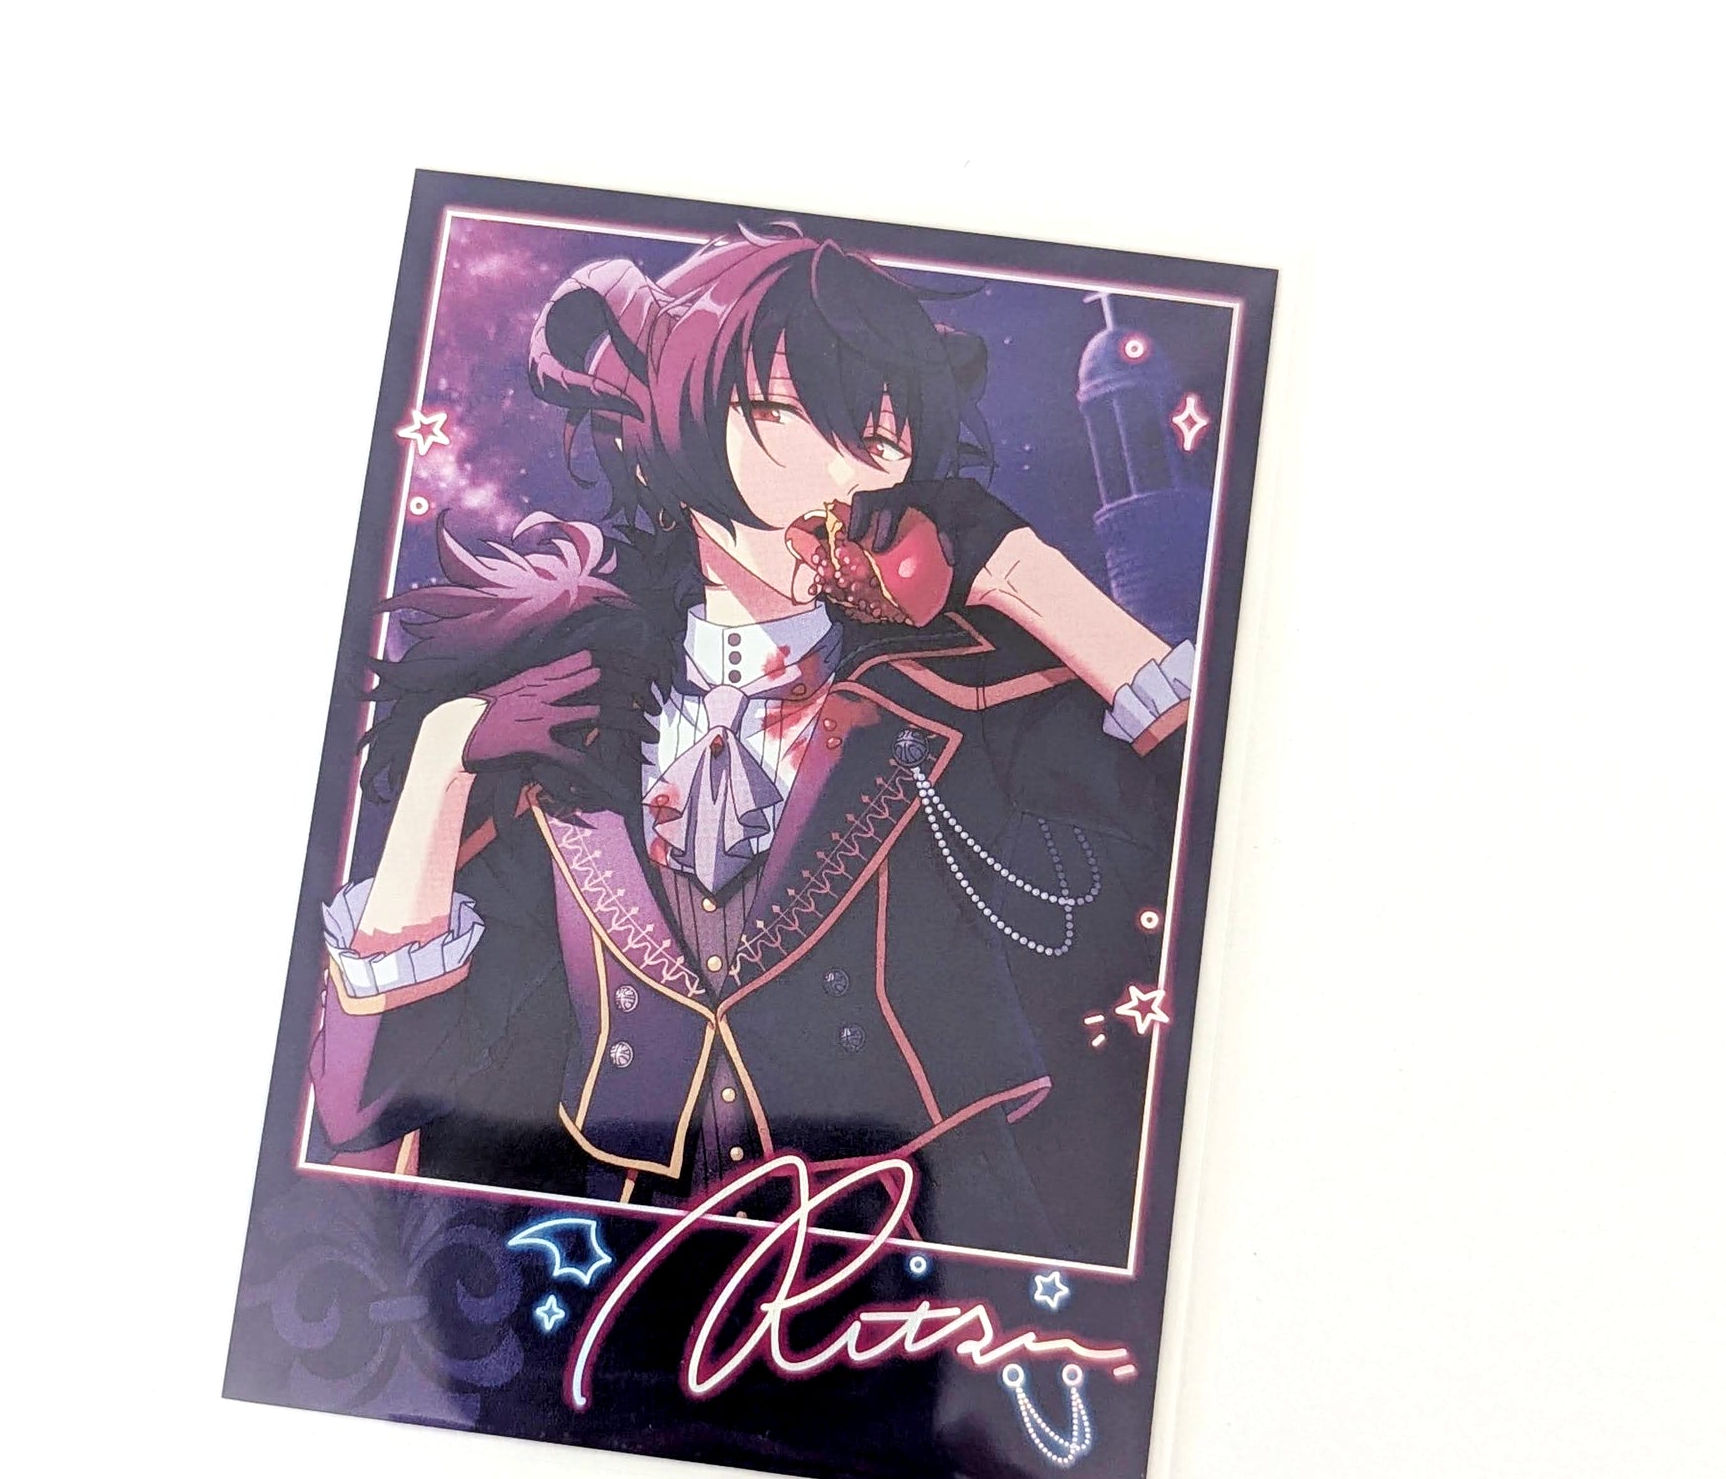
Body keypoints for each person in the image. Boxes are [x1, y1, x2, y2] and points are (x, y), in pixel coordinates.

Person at [308, 227, 1192, 1264]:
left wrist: (1023, 574)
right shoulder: (576, 722)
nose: (860, 460)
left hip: (920, 1257)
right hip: (629, 1268)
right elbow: (366, 1102)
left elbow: (1217, 827)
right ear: (672, 416)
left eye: (885, 421)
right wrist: (444, 759)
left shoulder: (950, 686)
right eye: (792, 406)